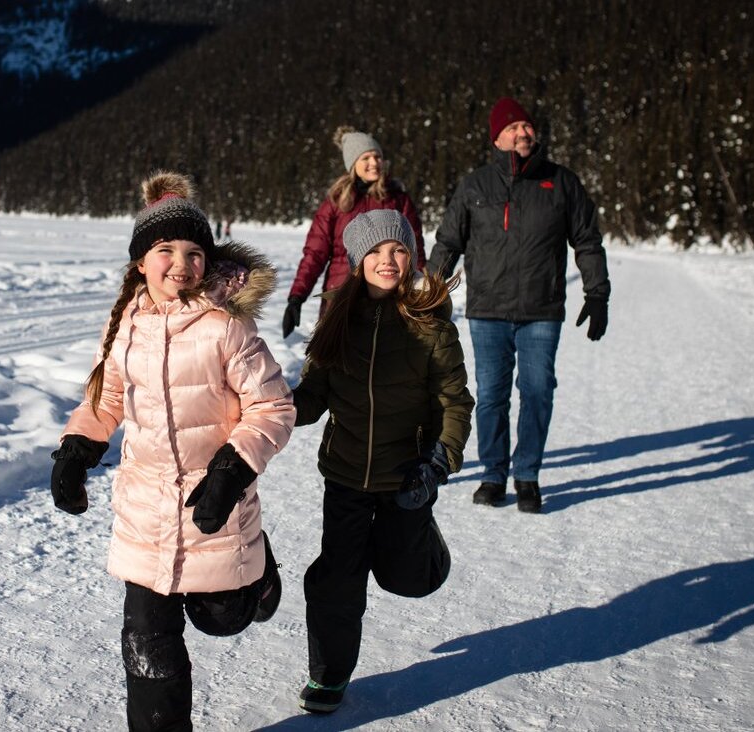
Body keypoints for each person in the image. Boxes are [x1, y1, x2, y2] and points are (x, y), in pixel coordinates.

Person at [50, 171, 295, 731]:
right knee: (147, 639)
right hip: (145, 509)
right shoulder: (125, 324)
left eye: (193, 252)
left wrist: (233, 468)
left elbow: (274, 408)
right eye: (165, 250)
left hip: (217, 500)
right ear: (141, 261)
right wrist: (76, 448)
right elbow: (107, 394)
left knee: (221, 619)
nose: (180, 265)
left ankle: (257, 574)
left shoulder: (226, 328)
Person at [291, 210, 474, 713]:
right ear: (357, 261)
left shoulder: (429, 326)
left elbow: (455, 403)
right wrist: (278, 407)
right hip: (346, 474)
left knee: (406, 578)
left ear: (410, 257)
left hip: (406, 477)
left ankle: (424, 542)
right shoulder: (337, 319)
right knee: (338, 577)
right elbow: (314, 394)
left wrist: (437, 463)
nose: (387, 260)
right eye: (375, 252)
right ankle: (329, 678)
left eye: (397, 250)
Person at [427, 96, 611, 514]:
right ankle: (494, 474)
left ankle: (527, 474)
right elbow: (449, 243)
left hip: (541, 310)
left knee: (538, 390)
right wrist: (428, 298)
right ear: (497, 137)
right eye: (512, 128)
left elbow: (587, 240)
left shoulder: (561, 182)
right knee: (491, 395)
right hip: (487, 310)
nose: (522, 133)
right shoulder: (475, 186)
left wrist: (597, 292)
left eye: (527, 126)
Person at [282, 126, 427, 339]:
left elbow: (415, 251)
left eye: (377, 156)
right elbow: (315, 253)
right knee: (337, 361)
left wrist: (422, 291)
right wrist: (297, 297)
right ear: (353, 164)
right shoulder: (336, 202)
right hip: (342, 294)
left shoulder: (397, 199)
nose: (374, 162)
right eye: (366, 157)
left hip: (388, 294)